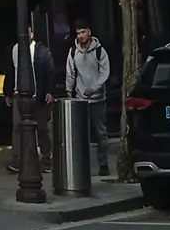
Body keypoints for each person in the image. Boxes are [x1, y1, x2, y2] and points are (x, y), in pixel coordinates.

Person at [64, 21, 111, 178]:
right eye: (78, 33)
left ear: (89, 32)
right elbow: (70, 73)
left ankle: (103, 163)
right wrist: (69, 92)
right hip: (80, 99)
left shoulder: (99, 51)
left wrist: (96, 87)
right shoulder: (73, 52)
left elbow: (105, 72)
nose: (80, 36)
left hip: (97, 99)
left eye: (83, 32)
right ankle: (82, 166)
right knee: (81, 134)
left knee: (100, 134)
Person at [6, 23, 56, 170]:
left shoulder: (41, 52)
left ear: (32, 34)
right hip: (18, 95)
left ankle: (46, 159)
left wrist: (50, 91)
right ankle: (17, 160)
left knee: (41, 128)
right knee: (17, 127)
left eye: (27, 33)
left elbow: (49, 72)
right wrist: (8, 92)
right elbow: (10, 71)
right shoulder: (14, 49)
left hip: (37, 95)